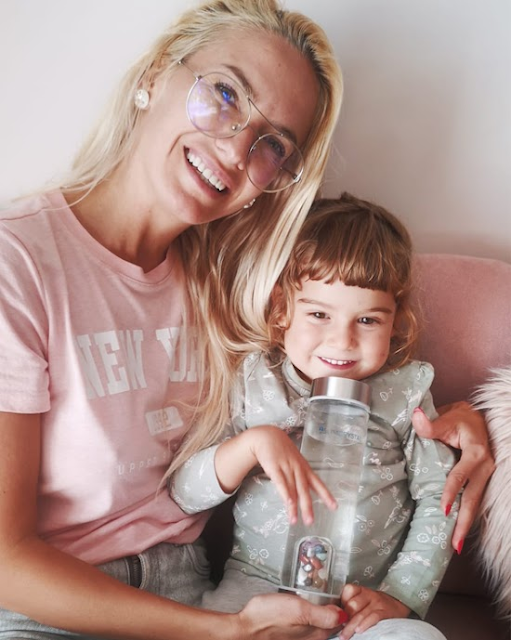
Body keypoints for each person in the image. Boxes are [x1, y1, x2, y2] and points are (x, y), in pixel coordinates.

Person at [0, 0, 491, 637]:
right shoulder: (19, 263)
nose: (236, 151)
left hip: (193, 587)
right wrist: (225, 631)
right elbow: (5, 559)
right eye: (225, 94)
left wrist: (463, 419)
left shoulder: (239, 284)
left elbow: (347, 374)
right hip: (56, 610)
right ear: (155, 75)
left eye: (272, 144)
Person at [169, 193, 463, 640]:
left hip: (359, 605)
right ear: (282, 309)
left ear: (396, 322)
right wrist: (251, 445)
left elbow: (440, 496)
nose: (342, 341)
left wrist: (400, 594)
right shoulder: (255, 381)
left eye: (368, 320)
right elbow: (184, 492)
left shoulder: (405, 393)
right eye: (319, 314)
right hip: (256, 591)